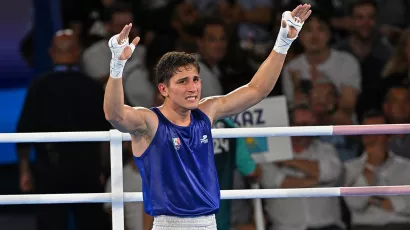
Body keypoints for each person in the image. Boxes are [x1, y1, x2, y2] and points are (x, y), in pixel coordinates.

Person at [103, 4, 312, 229]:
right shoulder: (150, 122)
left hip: (209, 223)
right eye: (182, 82)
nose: (192, 87)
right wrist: (117, 66)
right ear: (163, 89)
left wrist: (284, 41)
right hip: (169, 225)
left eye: (196, 79)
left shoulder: (207, 111)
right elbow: (114, 114)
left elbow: (256, 90)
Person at [16, 29, 111, 230]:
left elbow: (24, 130)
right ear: (77, 52)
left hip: (51, 169)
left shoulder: (39, 86)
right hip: (88, 171)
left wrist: (24, 169)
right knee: (91, 223)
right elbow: (105, 133)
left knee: (51, 224)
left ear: (52, 52)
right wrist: (104, 170)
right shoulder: (92, 87)